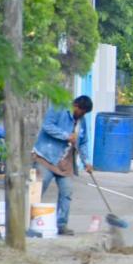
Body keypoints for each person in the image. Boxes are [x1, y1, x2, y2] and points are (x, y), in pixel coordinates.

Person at [32, 96, 94, 236]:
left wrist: (87, 162)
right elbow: (47, 126)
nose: (82, 116)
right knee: (37, 190)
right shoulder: (58, 109)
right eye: (81, 112)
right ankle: (28, 221)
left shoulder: (81, 121)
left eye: (84, 114)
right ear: (75, 105)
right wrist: (66, 136)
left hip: (65, 162)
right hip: (46, 157)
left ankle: (61, 224)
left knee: (67, 192)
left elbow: (83, 142)